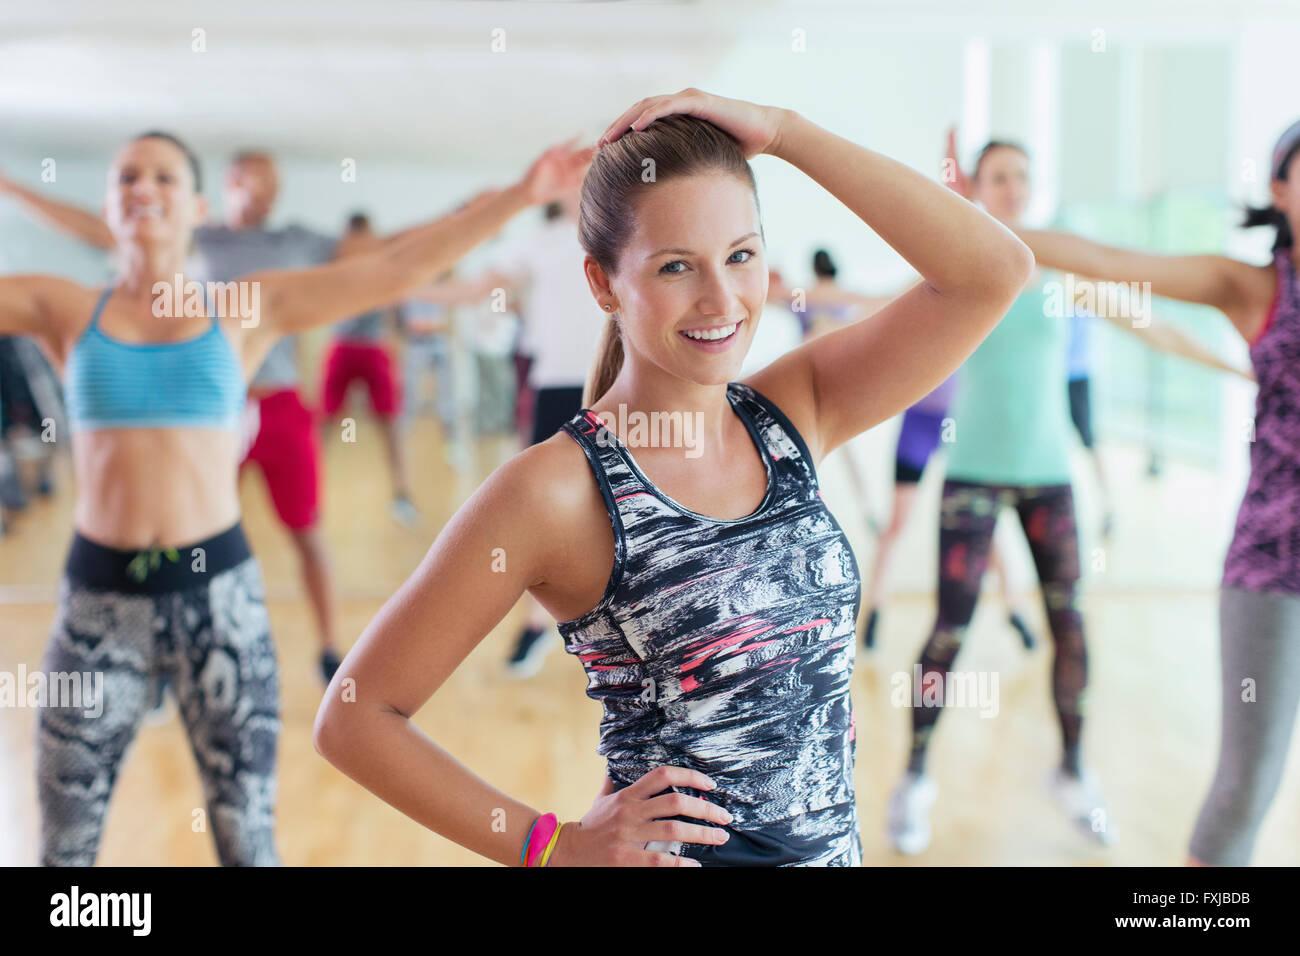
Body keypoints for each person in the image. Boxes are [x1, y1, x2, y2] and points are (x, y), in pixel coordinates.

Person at [313, 88, 1036, 867]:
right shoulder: (557, 490)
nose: (721, 299)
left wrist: (787, 133)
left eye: (741, 255)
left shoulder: (794, 413)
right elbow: (355, 715)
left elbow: (993, 271)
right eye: (675, 267)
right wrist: (552, 847)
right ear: (602, 284)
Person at [0, 128, 591, 866]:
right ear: (107, 206)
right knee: (64, 848)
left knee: (249, 844)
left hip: (220, 603)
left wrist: (522, 194)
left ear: (198, 208)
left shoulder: (245, 308)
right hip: (98, 604)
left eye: (163, 176)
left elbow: (394, 270)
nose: (143, 188)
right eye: (127, 177)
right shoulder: (64, 307)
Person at [885, 131, 1256, 857]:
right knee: (949, 629)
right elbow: (877, 310)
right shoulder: (961, 269)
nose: (1014, 188)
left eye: (1023, 176)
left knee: (1072, 625)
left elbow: (1154, 329)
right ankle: (915, 777)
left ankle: (1074, 771)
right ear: (977, 190)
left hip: (1049, 473)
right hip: (973, 472)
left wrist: (1247, 371)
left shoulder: (1061, 277)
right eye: (1000, 177)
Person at [1012, 118, 1300, 867]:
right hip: (1274, 570)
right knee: (1246, 788)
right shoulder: (1256, 287)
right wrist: (985, 221)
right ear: (1279, 189)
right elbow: (1110, 261)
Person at [2, 151, 342, 683]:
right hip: (201, 409)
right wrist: (10, 186)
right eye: (250, 179)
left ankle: (330, 647)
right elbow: (94, 227)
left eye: (271, 181)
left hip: (279, 406)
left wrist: (469, 217)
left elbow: (380, 258)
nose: (261, 191)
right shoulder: (194, 237)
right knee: (177, 533)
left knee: (306, 532)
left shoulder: (294, 242)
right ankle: (161, 649)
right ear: (225, 187)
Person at [318, 212, 419, 527]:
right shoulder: (335, 264)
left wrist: (399, 348)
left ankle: (402, 495)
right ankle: (310, 492)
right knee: (325, 422)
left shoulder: (385, 265)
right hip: (344, 347)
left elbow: (397, 314)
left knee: (390, 425)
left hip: (374, 349)